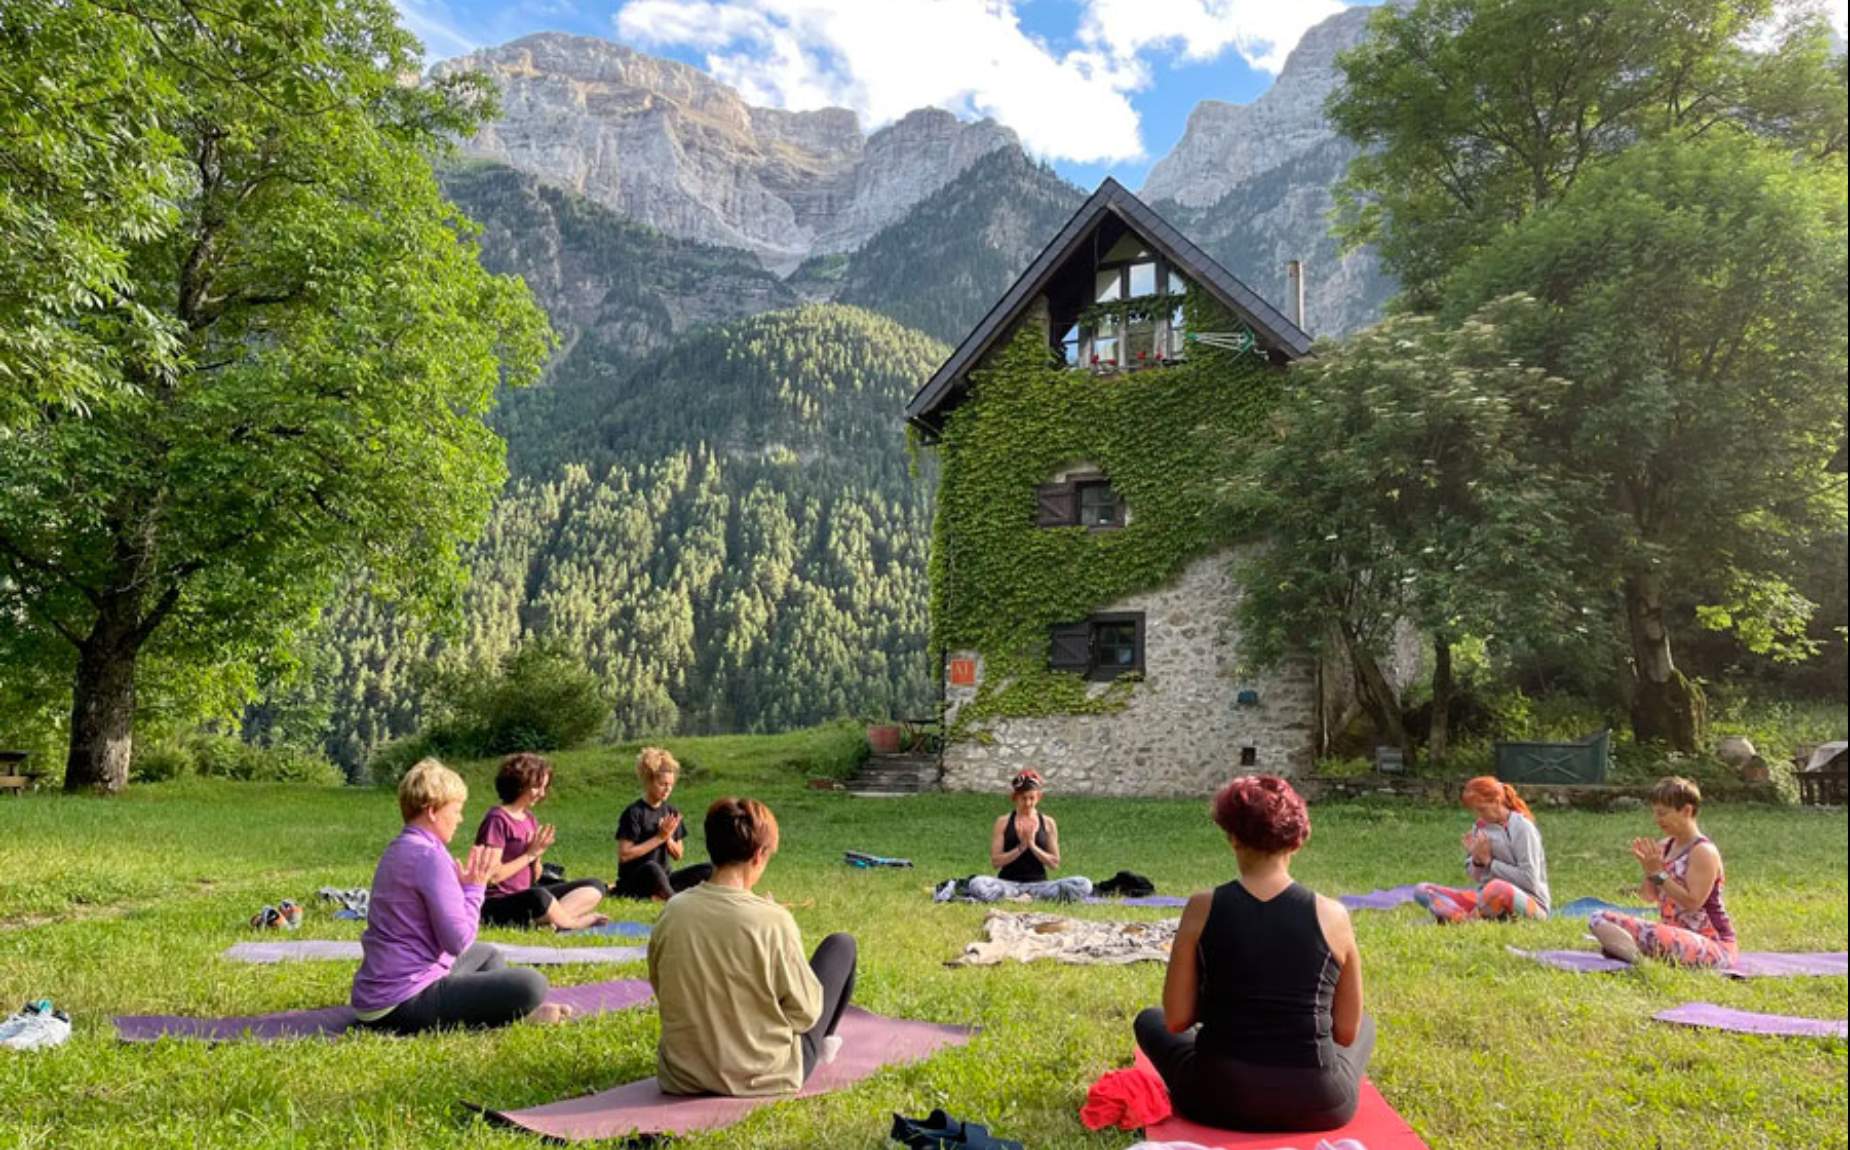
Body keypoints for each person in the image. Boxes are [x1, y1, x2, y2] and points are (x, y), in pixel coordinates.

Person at [1135, 775, 1373, 1133]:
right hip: (1319, 1103)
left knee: (1149, 1020)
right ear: (1297, 840)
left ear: (1232, 837)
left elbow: (1176, 1020)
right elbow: (1346, 1032)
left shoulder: (1202, 907)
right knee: (1365, 1023)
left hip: (1215, 1097)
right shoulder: (1333, 914)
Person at [648, 797, 857, 1095]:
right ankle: (823, 1047)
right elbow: (806, 1014)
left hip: (685, 1076)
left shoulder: (673, 910)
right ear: (759, 855)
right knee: (842, 945)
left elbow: (662, 986)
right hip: (765, 1076)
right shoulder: (774, 921)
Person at [351, 758, 568, 1034]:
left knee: (488, 956)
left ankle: (505, 1015)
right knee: (532, 984)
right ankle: (510, 1018)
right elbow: (457, 942)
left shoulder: (401, 847)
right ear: (432, 811)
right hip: (402, 1002)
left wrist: (465, 888)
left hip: (374, 998)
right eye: (456, 810)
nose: (460, 818)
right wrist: (475, 888)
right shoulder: (430, 856)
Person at [1588, 776, 1736, 969]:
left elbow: (1693, 902)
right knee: (1598, 918)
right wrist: (1649, 869)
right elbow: (1649, 896)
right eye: (1655, 813)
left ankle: (1641, 962)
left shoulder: (1703, 852)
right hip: (1674, 935)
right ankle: (1639, 958)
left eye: (1663, 814)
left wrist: (1658, 873)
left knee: (1639, 934)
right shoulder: (1664, 846)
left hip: (1712, 946)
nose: (1657, 820)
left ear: (1686, 811)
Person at [475, 752, 610, 930]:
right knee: (538, 897)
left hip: (525, 894)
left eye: (544, 787)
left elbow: (535, 876)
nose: (542, 793)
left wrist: (537, 854)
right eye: (537, 787)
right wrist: (530, 854)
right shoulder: (497, 819)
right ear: (519, 784)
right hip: (496, 902)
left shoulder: (529, 818)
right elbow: (492, 876)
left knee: (594, 886)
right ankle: (569, 922)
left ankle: (552, 920)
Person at [1412, 777, 1551, 923]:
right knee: (1423, 890)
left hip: (1528, 903)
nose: (1479, 815)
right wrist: (1477, 861)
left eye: (1482, 809)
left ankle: (1463, 920)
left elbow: (1529, 880)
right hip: (1484, 898)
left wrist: (1490, 862)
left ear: (1497, 802)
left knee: (1497, 888)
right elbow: (1478, 877)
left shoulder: (1523, 828)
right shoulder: (1480, 827)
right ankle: (1464, 916)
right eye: (1475, 811)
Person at [962, 769, 1092, 902]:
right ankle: (1020, 898)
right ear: (1014, 797)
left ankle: (1023, 898)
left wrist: (1032, 846)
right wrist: (1021, 847)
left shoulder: (1048, 823)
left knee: (1084, 884)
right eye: (1023, 798)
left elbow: (1054, 863)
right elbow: (996, 862)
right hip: (1007, 884)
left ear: (1039, 797)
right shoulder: (1003, 822)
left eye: (1032, 798)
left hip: (1040, 886)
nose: (1028, 803)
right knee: (977, 883)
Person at [615, 747, 714, 900]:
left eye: (670, 785)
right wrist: (659, 838)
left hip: (664, 878)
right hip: (636, 880)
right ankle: (673, 900)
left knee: (710, 869)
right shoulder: (634, 812)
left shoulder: (672, 812)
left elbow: (678, 854)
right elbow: (624, 855)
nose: (668, 789)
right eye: (663, 784)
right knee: (652, 867)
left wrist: (668, 839)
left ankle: (663, 893)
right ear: (649, 781)